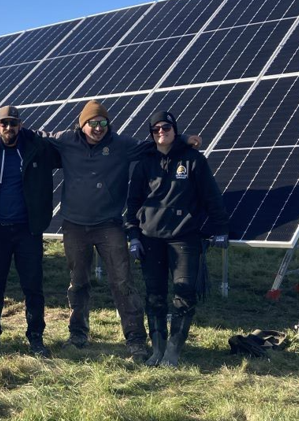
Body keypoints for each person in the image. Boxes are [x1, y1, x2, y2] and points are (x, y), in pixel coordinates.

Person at [40, 100, 201, 359]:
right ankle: (78, 333)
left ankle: (135, 339)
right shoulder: (66, 140)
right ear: (82, 125)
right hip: (74, 225)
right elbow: (40, 137)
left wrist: (182, 141)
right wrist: (10, 130)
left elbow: (154, 144)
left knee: (123, 282)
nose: (98, 128)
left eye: (103, 123)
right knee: (78, 282)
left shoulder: (120, 145)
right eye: (92, 123)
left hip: (109, 225)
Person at [126, 110, 229, 368]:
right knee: (155, 296)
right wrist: (133, 234)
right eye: (156, 129)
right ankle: (157, 349)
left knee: (183, 294)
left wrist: (221, 228)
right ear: (151, 133)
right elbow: (133, 202)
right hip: (150, 239)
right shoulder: (143, 163)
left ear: (174, 129)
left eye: (166, 127)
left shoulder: (193, 159)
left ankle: (173, 351)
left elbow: (211, 196)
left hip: (184, 238)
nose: (161, 132)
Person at [0, 105, 61, 357]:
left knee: (32, 285)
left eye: (13, 123)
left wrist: (34, 134)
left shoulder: (35, 149)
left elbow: (64, 147)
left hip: (27, 230)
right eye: (4, 124)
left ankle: (36, 336)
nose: (8, 128)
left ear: (20, 125)